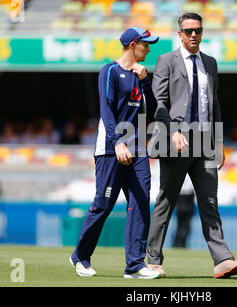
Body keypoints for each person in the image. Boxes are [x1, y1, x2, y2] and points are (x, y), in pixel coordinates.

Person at [146, 13, 237, 279]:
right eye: (189, 31)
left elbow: (214, 105)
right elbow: (159, 103)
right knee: (166, 201)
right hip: (176, 141)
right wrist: (172, 132)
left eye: (198, 30)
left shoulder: (211, 63)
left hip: (204, 140)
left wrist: (218, 141)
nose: (194, 35)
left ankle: (222, 260)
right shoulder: (165, 61)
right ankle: (153, 261)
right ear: (179, 34)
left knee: (210, 201)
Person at [69, 27, 161, 279]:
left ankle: (134, 265)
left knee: (141, 204)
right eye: (145, 44)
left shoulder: (141, 74)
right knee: (104, 204)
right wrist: (118, 142)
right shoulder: (109, 71)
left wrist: (146, 81)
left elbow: (152, 110)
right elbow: (106, 109)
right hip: (111, 149)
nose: (149, 49)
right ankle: (80, 256)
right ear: (133, 45)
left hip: (139, 149)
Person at [172, 176, 195, 248]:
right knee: (184, 225)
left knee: (182, 225)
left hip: (183, 195)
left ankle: (178, 244)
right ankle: (179, 244)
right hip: (184, 196)